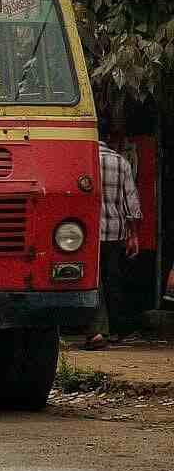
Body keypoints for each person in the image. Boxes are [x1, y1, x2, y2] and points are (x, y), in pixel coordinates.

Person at [85, 122, 142, 350]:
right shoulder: (121, 162)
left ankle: (97, 332)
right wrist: (133, 235)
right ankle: (118, 330)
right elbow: (132, 204)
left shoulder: (83, 159)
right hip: (115, 231)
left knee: (93, 280)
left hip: (86, 234)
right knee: (113, 279)